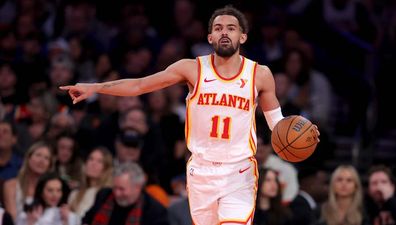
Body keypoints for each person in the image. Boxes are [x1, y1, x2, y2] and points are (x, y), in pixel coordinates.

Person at [60, 5, 320, 224]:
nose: (224, 33)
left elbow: (278, 124)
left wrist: (301, 132)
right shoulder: (191, 69)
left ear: (243, 36)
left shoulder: (260, 74)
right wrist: (94, 87)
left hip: (239, 171)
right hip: (201, 170)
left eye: (231, 28)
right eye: (218, 28)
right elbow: (140, 85)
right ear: (209, 38)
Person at [81, 162, 169, 225]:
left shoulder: (155, 211)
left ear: (137, 188)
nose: (116, 193)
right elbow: (87, 218)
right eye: (114, 187)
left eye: (121, 189)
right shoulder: (104, 195)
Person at [16, 172, 80, 225]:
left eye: (58, 190)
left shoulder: (69, 216)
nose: (55, 195)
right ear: (41, 192)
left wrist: (65, 222)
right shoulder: (28, 213)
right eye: (50, 190)